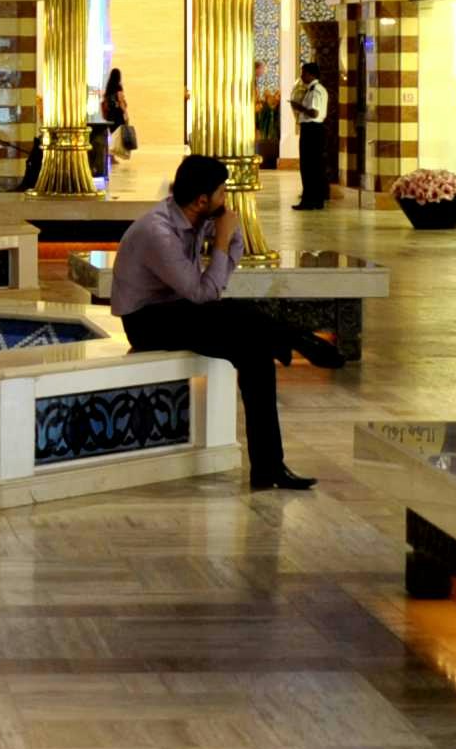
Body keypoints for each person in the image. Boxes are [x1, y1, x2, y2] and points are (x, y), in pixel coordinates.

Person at [109, 153, 321, 490]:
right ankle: (293, 338)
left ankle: (268, 468)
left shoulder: (196, 218)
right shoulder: (158, 232)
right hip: (147, 320)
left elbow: (215, 284)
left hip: (182, 311)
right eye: (223, 193)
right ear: (201, 200)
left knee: (255, 353)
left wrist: (228, 236)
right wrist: (222, 240)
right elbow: (203, 294)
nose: (227, 201)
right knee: (238, 313)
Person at [296, 59, 337, 212]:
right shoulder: (311, 89)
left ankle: (312, 200)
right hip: (310, 130)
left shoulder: (317, 90)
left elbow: (314, 113)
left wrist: (299, 107)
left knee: (310, 166)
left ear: (311, 74)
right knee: (310, 166)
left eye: (303, 72)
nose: (302, 75)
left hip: (313, 130)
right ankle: (311, 199)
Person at [95, 68, 133, 185]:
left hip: (110, 115)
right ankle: (113, 156)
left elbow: (105, 100)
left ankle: (111, 156)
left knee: (112, 135)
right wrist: (126, 114)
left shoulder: (108, 88)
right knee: (117, 135)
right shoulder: (118, 87)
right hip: (117, 115)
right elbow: (121, 102)